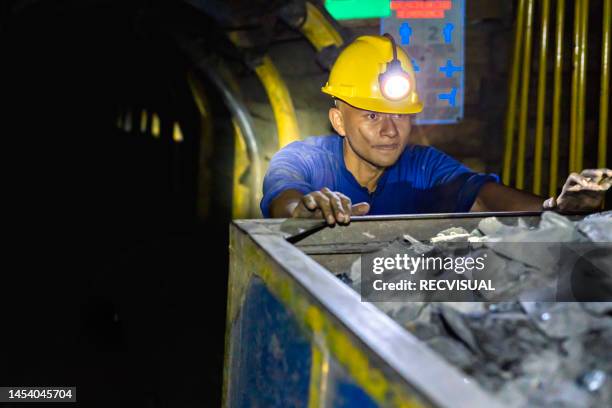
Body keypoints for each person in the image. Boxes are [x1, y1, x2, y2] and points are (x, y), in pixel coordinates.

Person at [261, 35, 611, 225]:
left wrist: (557, 207)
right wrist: (303, 212)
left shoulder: (423, 167)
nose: (390, 130)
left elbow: (484, 196)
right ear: (339, 121)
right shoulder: (304, 159)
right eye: (371, 116)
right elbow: (284, 197)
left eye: (400, 116)